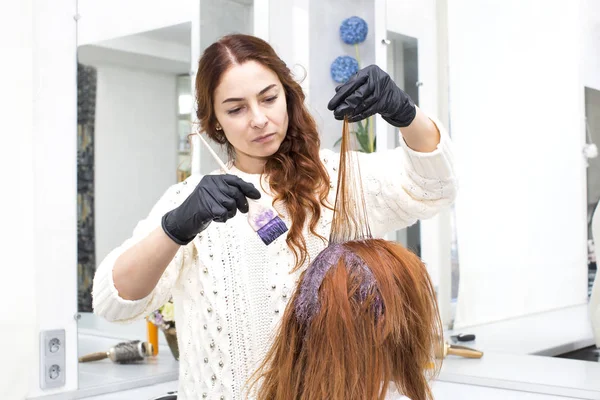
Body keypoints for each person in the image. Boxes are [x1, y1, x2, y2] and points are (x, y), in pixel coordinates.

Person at [92, 33, 457, 400]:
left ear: (287, 96)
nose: (259, 119)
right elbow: (113, 302)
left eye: (269, 98)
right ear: (215, 122)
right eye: (236, 109)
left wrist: (406, 114)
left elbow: (434, 187)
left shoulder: (336, 181)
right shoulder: (192, 202)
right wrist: (174, 229)